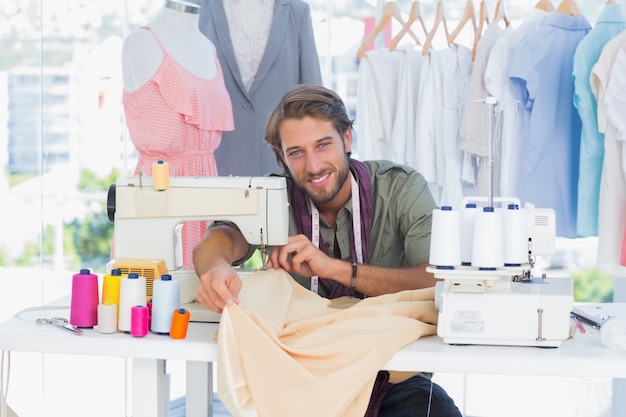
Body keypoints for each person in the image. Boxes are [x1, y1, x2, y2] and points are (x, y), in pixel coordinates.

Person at [193, 84, 462, 417]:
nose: (314, 164)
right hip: (298, 377)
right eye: (297, 153)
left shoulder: (401, 189)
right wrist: (216, 267)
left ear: (347, 139)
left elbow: (436, 280)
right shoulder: (273, 196)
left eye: (323, 145)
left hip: (390, 374)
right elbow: (221, 236)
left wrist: (333, 268)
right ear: (282, 157)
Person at [121, 0, 234, 268]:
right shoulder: (140, 43)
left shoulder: (208, 48)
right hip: (161, 192)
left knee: (205, 294)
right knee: (153, 295)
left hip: (206, 190)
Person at [197, 0, 323, 177]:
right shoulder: (196, 8)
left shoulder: (296, 11)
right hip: (215, 164)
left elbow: (312, 95)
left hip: (281, 164)